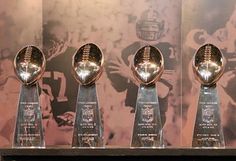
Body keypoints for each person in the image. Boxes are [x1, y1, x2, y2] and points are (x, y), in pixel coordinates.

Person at [107, 8, 178, 145]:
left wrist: (131, 74)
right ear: (139, 27)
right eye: (146, 26)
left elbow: (162, 91)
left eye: (153, 26)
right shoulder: (129, 50)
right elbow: (120, 87)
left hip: (153, 114)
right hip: (129, 112)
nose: (150, 30)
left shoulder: (167, 50)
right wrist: (111, 71)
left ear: (161, 28)